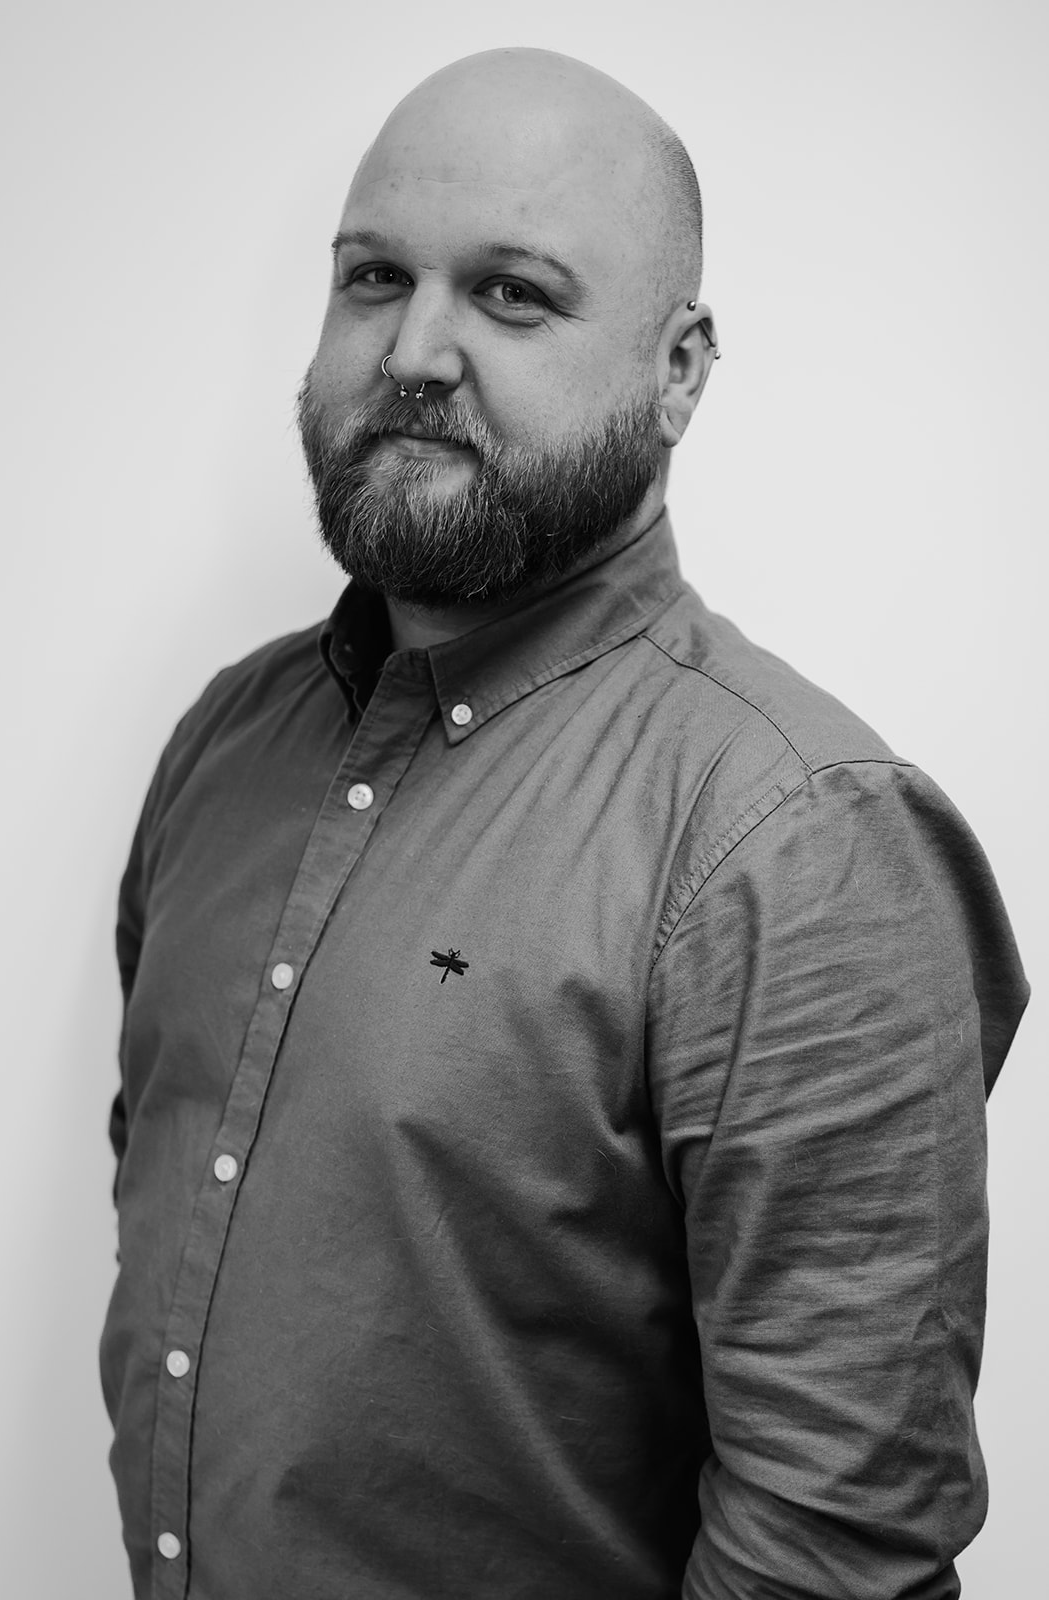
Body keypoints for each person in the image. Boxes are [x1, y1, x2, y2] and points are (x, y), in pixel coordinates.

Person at [101, 46, 1028, 1600]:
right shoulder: (223, 744)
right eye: (373, 277)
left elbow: (835, 1550)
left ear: (679, 371)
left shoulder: (798, 842)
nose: (417, 349)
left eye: (514, 294)